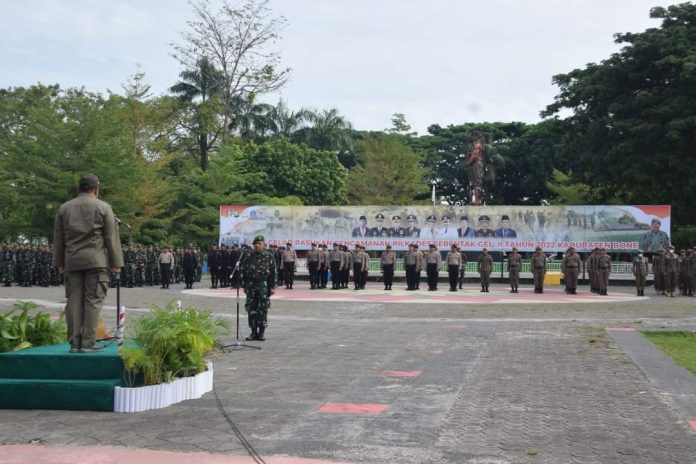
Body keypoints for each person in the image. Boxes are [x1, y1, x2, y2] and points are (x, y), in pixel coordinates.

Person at [52, 174, 123, 353]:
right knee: (93, 301)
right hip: (96, 261)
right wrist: (116, 263)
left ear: (79, 188)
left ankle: (75, 343)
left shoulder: (64, 208)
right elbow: (111, 238)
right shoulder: (104, 207)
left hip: (72, 261)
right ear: (96, 189)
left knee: (73, 301)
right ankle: (88, 343)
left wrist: (59, 262)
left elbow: (59, 238)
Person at [240, 235, 277, 341]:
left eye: (259, 243)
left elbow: (274, 272)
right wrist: (245, 286)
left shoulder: (269, 256)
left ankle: (261, 332)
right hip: (251, 285)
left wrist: (273, 286)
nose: (256, 245)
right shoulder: (249, 256)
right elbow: (243, 271)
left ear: (264, 245)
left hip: (263, 285)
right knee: (251, 308)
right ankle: (253, 332)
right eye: (255, 244)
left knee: (263, 308)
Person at [467, 132, 485, 205]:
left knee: (476, 183)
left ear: (477, 138)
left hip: (476, 163)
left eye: (474, 137)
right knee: (477, 183)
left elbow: (475, 156)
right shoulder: (479, 145)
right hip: (478, 163)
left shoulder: (477, 145)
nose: (473, 138)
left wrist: (468, 163)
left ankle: (477, 200)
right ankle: (478, 200)